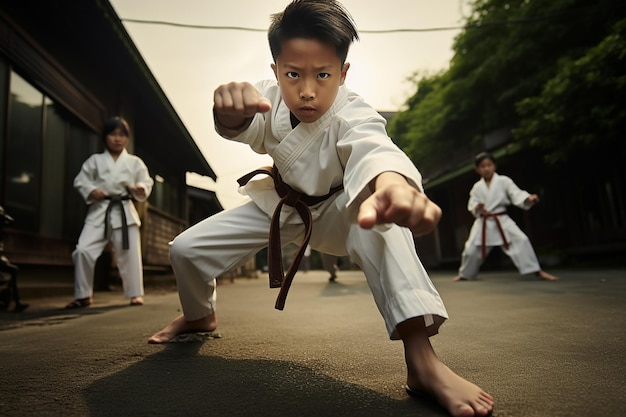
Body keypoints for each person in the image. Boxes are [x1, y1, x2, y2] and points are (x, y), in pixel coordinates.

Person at [149, 2, 494, 416]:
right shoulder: (269, 99)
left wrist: (390, 183)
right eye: (293, 74)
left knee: (380, 220)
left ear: (343, 73)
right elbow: (247, 126)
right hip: (278, 205)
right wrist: (227, 114)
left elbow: (373, 147)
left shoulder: (353, 111)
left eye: (323, 75)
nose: (307, 90)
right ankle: (199, 316)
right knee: (185, 250)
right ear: (276, 70)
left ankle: (422, 362)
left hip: (341, 210)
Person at [66, 117, 153, 308]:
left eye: (121, 135)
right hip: (100, 209)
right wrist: (91, 190)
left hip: (124, 211)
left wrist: (139, 188)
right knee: (83, 250)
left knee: (130, 254)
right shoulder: (95, 161)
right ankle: (83, 295)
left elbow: (146, 182)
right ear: (105, 137)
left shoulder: (134, 162)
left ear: (127, 139)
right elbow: (81, 180)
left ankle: (135, 294)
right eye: (113, 134)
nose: (117, 139)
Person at [453, 152, 558, 282]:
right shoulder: (477, 188)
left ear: (494, 166)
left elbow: (516, 194)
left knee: (521, 240)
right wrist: (477, 207)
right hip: (483, 222)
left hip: (501, 219)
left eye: (489, 165)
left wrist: (528, 198)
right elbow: (472, 205)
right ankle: (465, 274)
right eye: (482, 166)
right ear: (477, 170)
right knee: (471, 249)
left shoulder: (504, 181)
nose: (486, 168)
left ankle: (537, 271)